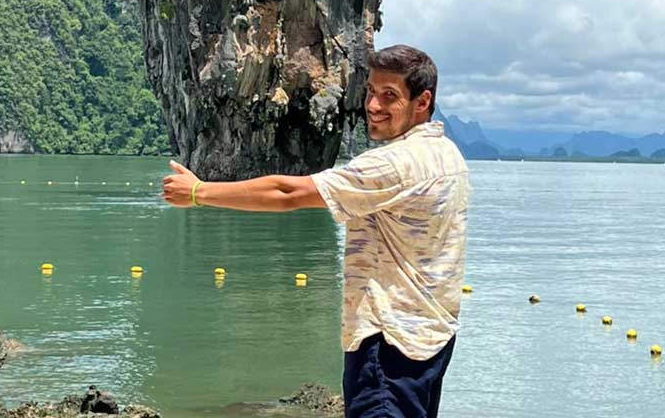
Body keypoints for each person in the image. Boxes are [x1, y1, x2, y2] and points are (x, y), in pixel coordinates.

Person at [163, 44, 470, 417]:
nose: (373, 105)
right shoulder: (449, 156)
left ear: (422, 102)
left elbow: (288, 193)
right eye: (370, 91)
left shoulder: (393, 163)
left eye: (389, 96)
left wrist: (198, 192)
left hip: (388, 343)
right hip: (431, 339)